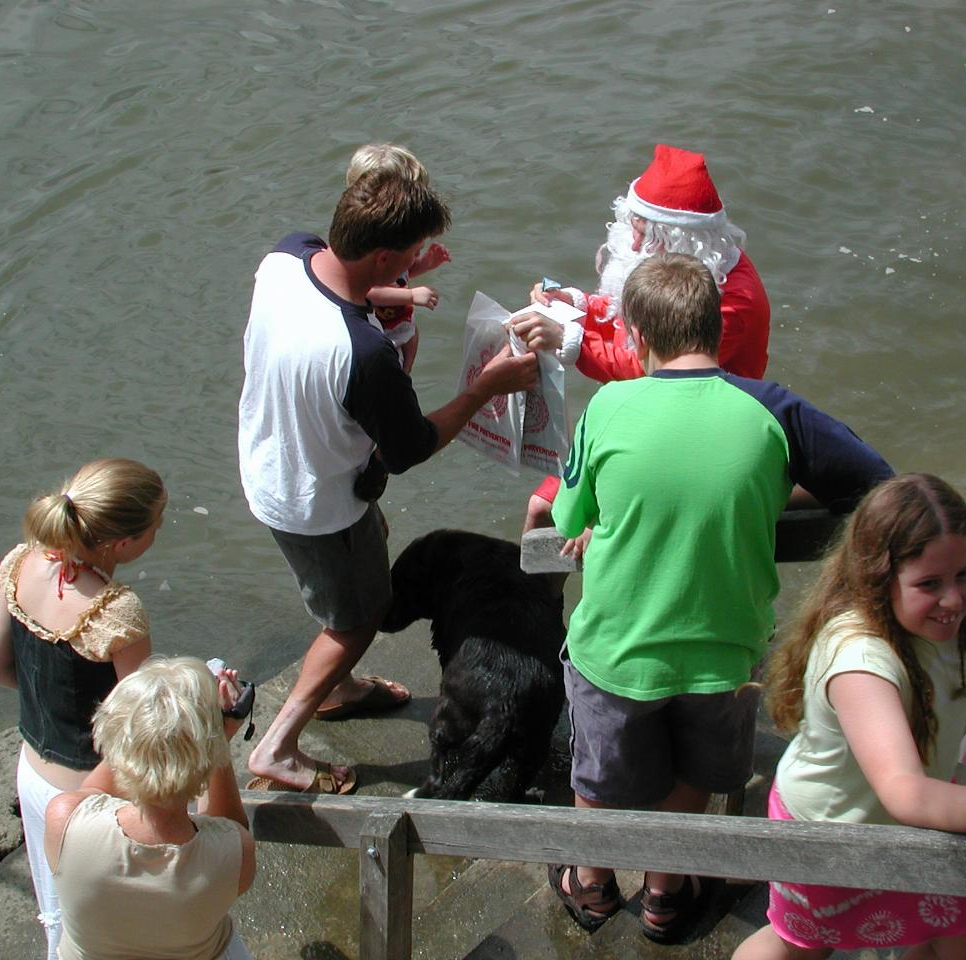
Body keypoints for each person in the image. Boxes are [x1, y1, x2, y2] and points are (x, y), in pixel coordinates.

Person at [547, 253, 892, 943]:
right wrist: (765, 490)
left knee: (599, 773)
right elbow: (876, 486)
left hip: (618, 650)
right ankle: (666, 896)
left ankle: (591, 883)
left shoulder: (611, 404)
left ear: (639, 335)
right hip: (726, 652)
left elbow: (565, 517)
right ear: (713, 326)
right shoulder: (769, 416)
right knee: (695, 771)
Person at [238, 169, 538, 793]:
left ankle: (339, 687)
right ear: (380, 257)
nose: (409, 276)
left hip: (267, 461)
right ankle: (278, 743)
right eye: (404, 265)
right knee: (356, 616)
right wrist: (483, 389)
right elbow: (410, 449)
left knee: (335, 586)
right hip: (316, 503)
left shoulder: (286, 256)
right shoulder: (363, 353)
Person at [733, 473, 966, 960]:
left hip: (918, 823)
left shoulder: (928, 616)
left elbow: (961, 620)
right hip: (833, 832)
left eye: (964, 575)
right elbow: (905, 790)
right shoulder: (860, 662)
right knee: (800, 945)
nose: (953, 600)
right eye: (929, 583)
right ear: (879, 581)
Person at [512, 142, 772, 534]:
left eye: (643, 236)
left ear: (682, 240)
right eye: (632, 230)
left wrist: (570, 338)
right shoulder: (692, 271)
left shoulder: (730, 302)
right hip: (654, 411)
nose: (633, 246)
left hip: (698, 432)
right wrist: (578, 304)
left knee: (546, 510)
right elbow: (629, 317)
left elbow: (650, 368)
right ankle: (543, 594)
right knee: (541, 509)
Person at [0, 458, 164, 960]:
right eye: (156, 523)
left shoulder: (20, 561)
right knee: (109, 926)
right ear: (122, 544)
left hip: (33, 775)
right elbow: (135, 736)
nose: (160, 531)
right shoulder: (117, 612)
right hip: (89, 788)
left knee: (58, 913)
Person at [43, 657, 257, 960]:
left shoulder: (64, 820)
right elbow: (228, 829)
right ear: (211, 755)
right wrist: (217, 740)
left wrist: (143, 722)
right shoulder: (234, 853)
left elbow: (95, 789)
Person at [345, 143, 452, 373]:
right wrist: (411, 295)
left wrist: (424, 264)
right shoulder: (366, 248)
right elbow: (367, 291)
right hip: (380, 329)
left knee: (412, 337)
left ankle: (405, 373)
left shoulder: (398, 247)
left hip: (400, 321)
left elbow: (400, 273)